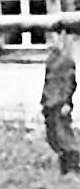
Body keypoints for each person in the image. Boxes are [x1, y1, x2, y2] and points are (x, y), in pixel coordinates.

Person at [41, 31, 79, 175]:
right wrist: (44, 100)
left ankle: (74, 165)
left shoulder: (66, 61)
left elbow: (70, 84)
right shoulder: (51, 59)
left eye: (54, 39)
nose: (51, 43)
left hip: (59, 102)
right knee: (52, 137)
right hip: (49, 102)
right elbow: (47, 82)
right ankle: (65, 166)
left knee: (64, 135)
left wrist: (67, 102)